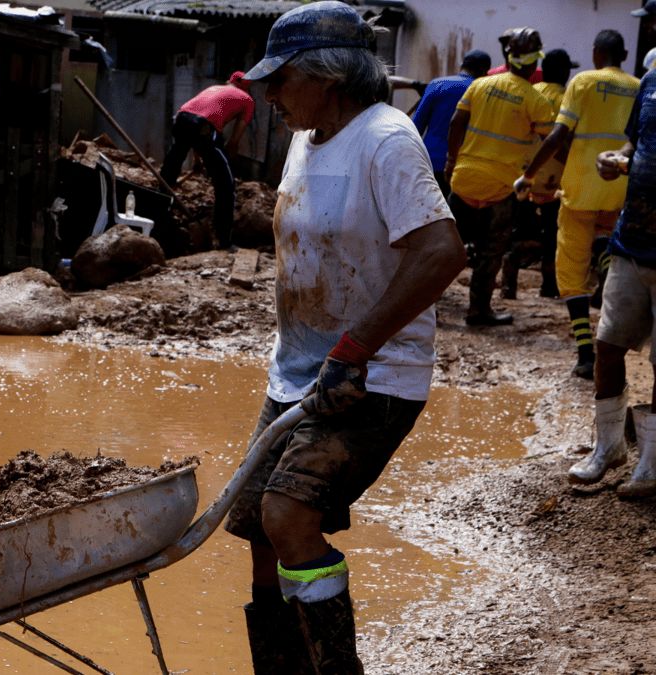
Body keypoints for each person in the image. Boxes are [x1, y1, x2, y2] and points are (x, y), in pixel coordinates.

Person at [227, 2, 467, 671]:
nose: (270, 95)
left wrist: (355, 347)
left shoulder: (386, 139)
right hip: (298, 370)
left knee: (289, 515)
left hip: (371, 374)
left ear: (328, 77)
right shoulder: (305, 138)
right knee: (257, 526)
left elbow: (441, 251)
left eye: (282, 79)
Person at [515, 31, 639, 381]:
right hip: (619, 186)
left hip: (581, 187)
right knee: (606, 240)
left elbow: (558, 135)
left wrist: (528, 175)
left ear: (596, 53)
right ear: (624, 54)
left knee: (571, 272)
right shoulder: (638, 85)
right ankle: (604, 260)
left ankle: (586, 354)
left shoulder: (582, 82)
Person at [569, 41, 656, 498]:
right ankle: (609, 448)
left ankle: (651, 466)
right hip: (631, 239)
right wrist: (614, 160)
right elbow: (634, 143)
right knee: (607, 345)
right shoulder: (651, 83)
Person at [446, 27, 555, 326]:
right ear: (534, 64)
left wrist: (452, 160)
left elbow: (456, 123)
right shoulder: (536, 100)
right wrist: (531, 173)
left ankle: (420, 306)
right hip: (501, 187)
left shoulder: (480, 85)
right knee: (490, 252)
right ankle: (478, 310)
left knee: (445, 248)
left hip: (464, 179)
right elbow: (551, 141)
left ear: (508, 58)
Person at [500, 48, 578, 301]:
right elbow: (568, 140)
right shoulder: (568, 99)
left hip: (523, 176)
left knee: (517, 232)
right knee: (552, 235)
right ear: (564, 72)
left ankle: (508, 286)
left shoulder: (530, 93)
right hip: (556, 180)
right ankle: (549, 287)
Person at [159, 71, 255, 250]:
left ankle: (158, 220)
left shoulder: (214, 88)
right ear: (247, 87)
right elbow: (233, 138)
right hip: (203, 127)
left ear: (230, 81)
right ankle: (224, 241)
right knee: (226, 185)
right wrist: (228, 154)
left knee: (169, 172)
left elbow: (195, 124)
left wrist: (198, 160)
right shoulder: (247, 99)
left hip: (181, 118)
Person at [412, 49, 492, 196]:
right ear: (484, 72)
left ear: (462, 65)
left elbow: (416, 126)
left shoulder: (437, 84)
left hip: (429, 161)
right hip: (464, 168)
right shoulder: (483, 93)